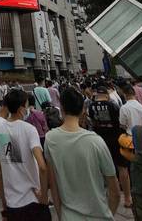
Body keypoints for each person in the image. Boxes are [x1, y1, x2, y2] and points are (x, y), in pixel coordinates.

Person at [45, 87, 120, 220]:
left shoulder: (50, 139)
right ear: (82, 110)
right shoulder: (96, 141)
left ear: (61, 108)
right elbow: (114, 191)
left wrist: (61, 215)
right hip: (99, 216)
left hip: (69, 216)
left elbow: (54, 185)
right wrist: (108, 215)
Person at [0, 89, 50, 220]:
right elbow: (42, 166)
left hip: (13, 202)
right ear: (20, 108)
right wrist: (44, 197)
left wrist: (4, 206)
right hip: (34, 199)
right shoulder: (29, 130)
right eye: (26, 105)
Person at [89, 84, 132, 208]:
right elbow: (120, 123)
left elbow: (92, 122)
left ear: (97, 95)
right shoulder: (112, 105)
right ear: (107, 95)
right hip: (116, 139)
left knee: (104, 169)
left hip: (100, 140)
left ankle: (110, 196)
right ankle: (128, 199)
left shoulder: (91, 107)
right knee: (122, 168)